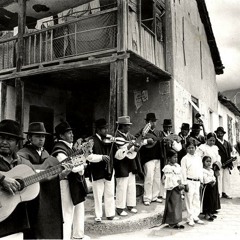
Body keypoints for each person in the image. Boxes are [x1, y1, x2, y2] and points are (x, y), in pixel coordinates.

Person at [17, 122, 63, 239]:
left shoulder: (46, 153)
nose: (41, 139)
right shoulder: (23, 154)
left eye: (43, 136)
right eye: (37, 136)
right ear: (29, 138)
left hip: (47, 196)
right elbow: (25, 172)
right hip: (31, 194)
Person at [51, 121, 89, 240]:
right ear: (61, 136)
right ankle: (65, 237)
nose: (72, 135)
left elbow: (79, 162)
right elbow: (70, 166)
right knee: (67, 213)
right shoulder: (59, 149)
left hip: (75, 182)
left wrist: (82, 164)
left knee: (79, 209)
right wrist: (83, 165)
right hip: (66, 183)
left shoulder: (70, 147)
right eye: (69, 133)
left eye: (72, 133)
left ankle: (78, 235)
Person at [0, 119, 33, 240]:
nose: (4, 142)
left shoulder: (22, 162)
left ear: (17, 143)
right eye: (1, 138)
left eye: (9, 139)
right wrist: (2, 178)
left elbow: (37, 177)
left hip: (16, 223)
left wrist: (60, 173)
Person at [86, 118, 118, 222]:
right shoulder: (91, 140)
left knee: (110, 193)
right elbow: (88, 156)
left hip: (109, 170)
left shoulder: (109, 140)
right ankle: (98, 215)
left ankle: (110, 214)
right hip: (97, 171)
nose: (106, 131)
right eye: (104, 129)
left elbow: (115, 154)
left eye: (106, 128)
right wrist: (101, 157)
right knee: (98, 194)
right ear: (98, 130)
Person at [114, 116, 143, 216]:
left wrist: (137, 148)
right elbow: (119, 151)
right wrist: (129, 146)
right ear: (122, 126)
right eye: (127, 126)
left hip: (131, 162)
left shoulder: (130, 136)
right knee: (121, 186)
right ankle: (120, 208)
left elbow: (134, 150)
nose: (129, 127)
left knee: (131, 185)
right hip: (121, 163)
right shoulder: (116, 136)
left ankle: (131, 205)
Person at [135, 113, 163, 206]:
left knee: (157, 178)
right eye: (151, 121)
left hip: (157, 157)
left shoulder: (159, 132)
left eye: (154, 121)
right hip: (148, 158)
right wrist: (146, 141)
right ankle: (147, 198)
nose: (153, 123)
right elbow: (137, 141)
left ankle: (155, 196)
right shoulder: (143, 131)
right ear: (147, 122)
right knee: (149, 178)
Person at [196, 132, 221, 214]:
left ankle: (213, 207)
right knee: (206, 190)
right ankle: (205, 209)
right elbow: (198, 158)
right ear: (206, 139)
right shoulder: (202, 147)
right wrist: (203, 167)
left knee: (213, 189)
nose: (212, 142)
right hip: (205, 169)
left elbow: (218, 157)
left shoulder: (215, 147)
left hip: (213, 169)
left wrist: (217, 164)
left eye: (214, 141)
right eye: (210, 140)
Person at [181, 141, 204, 226]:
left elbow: (200, 170)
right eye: (189, 148)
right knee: (189, 200)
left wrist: (201, 181)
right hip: (189, 181)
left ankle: (195, 216)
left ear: (195, 148)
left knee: (196, 199)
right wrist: (185, 183)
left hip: (197, 181)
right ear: (186, 149)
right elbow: (183, 172)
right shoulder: (185, 159)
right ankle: (189, 218)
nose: (191, 149)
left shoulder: (198, 158)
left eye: (193, 147)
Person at [162, 149, 185, 229]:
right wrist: (177, 185)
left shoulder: (177, 166)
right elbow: (169, 179)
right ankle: (171, 222)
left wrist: (181, 183)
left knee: (177, 205)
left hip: (178, 187)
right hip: (172, 188)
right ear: (169, 158)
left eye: (177, 157)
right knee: (172, 205)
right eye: (174, 157)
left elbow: (180, 176)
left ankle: (176, 221)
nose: (176, 159)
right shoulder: (167, 168)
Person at [159, 119, 182, 199]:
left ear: (171, 127)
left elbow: (179, 148)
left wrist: (173, 142)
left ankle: (173, 190)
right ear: (163, 127)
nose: (168, 129)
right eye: (166, 127)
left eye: (169, 127)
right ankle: (163, 193)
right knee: (164, 174)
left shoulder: (174, 135)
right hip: (163, 156)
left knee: (173, 174)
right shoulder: (160, 134)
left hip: (172, 157)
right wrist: (163, 141)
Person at [214, 127, 234, 199]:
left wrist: (230, 162)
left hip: (227, 163)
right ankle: (219, 194)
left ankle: (225, 192)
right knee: (219, 178)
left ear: (223, 134)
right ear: (216, 134)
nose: (220, 134)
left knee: (226, 179)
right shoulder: (215, 142)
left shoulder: (227, 143)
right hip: (219, 163)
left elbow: (230, 152)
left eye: (221, 133)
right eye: (218, 133)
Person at [201, 156, 216, 221]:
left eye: (210, 161)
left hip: (212, 186)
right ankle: (206, 214)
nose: (208, 163)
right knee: (206, 200)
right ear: (203, 162)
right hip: (206, 187)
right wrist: (211, 180)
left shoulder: (211, 170)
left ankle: (210, 212)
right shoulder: (202, 170)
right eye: (207, 161)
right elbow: (205, 179)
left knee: (211, 199)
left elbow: (214, 178)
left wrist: (213, 181)